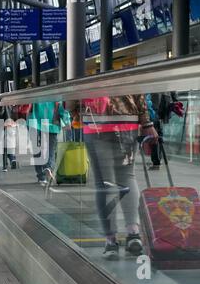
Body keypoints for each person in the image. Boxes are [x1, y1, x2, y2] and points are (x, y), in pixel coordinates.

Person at [68, 95, 159, 260]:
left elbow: (70, 96)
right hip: (127, 121)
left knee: (104, 182)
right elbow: (138, 88)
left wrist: (76, 112)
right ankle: (133, 234)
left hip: (95, 121)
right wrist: (146, 123)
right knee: (127, 176)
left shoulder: (87, 68)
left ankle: (111, 241)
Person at [27, 101, 71, 186]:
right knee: (51, 149)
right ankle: (48, 167)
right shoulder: (55, 93)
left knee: (37, 150)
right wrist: (67, 122)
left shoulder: (35, 91)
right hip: (52, 124)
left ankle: (41, 177)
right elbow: (62, 109)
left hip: (34, 123)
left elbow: (28, 108)